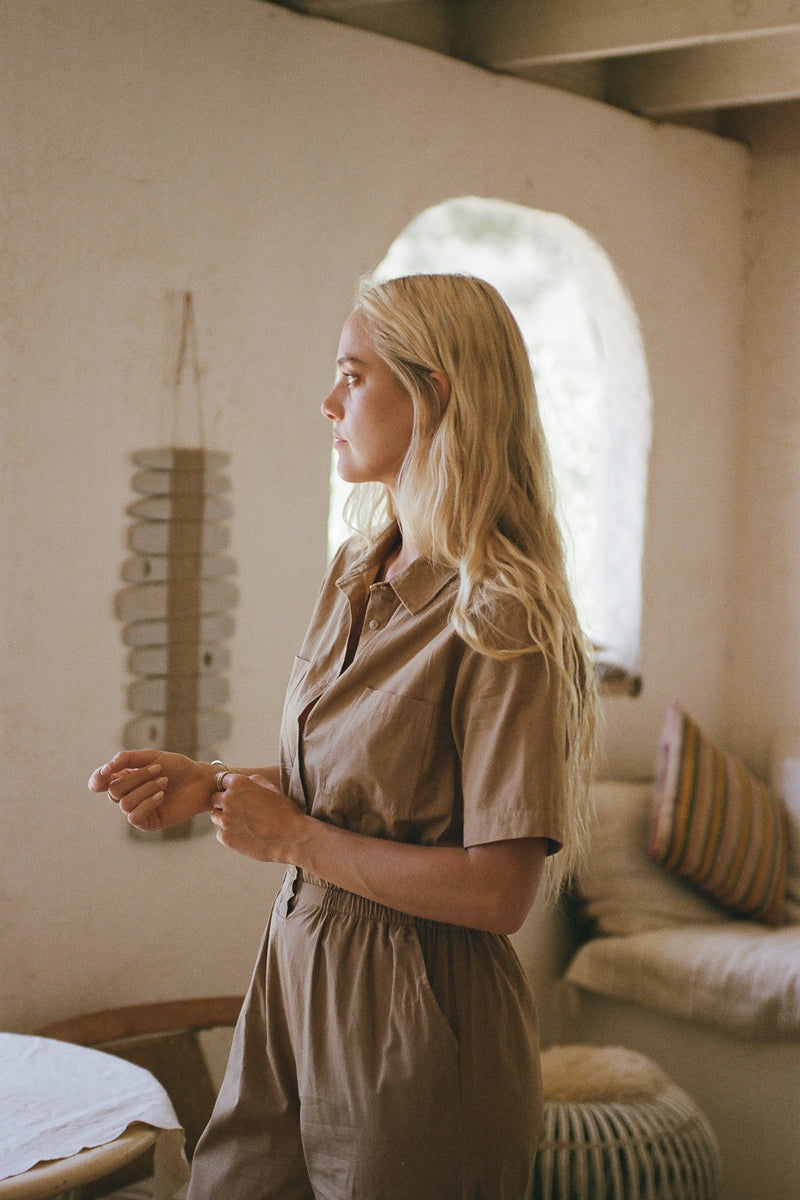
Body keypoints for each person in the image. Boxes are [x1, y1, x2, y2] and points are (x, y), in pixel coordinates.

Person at [89, 273, 597, 1200]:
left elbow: (499, 891)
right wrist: (207, 783)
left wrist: (298, 842)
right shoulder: (358, 570)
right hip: (294, 974)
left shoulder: (503, 612)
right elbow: (351, 781)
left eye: (353, 376)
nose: (330, 402)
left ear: (436, 393)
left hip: (422, 1022)